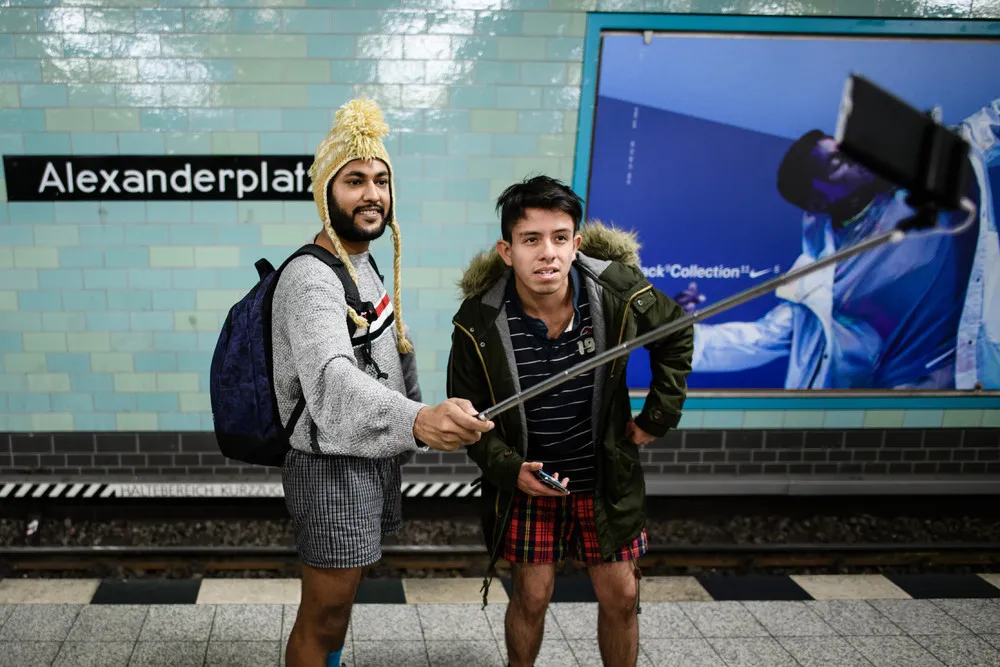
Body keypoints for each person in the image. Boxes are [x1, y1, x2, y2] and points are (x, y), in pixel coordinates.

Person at [272, 97, 494, 667]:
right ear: (325, 193)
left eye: (381, 180)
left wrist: (422, 417)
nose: (372, 193)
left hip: (365, 454)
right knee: (323, 616)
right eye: (354, 181)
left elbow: (390, 350)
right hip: (330, 467)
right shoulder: (311, 278)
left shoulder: (363, 264)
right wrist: (418, 420)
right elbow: (331, 381)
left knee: (339, 609)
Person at [447, 175, 693, 667]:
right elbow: (468, 418)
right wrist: (509, 468)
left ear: (576, 244)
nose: (548, 253)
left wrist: (658, 415)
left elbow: (675, 332)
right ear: (506, 251)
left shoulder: (616, 290)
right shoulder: (478, 321)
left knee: (622, 595)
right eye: (531, 240)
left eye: (560, 238)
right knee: (532, 597)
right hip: (530, 482)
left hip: (604, 477)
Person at [684, 98, 1000, 390]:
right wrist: (677, 336)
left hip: (978, 382)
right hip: (896, 410)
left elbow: (987, 128)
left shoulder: (925, 181)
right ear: (819, 202)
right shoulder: (820, 277)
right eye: (836, 163)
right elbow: (759, 340)